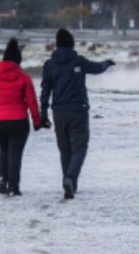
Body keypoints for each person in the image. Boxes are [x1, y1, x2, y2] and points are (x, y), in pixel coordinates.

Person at [39, 28, 114, 199]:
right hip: (78, 110)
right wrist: (107, 63)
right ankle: (70, 179)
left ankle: (69, 182)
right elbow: (97, 68)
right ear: (72, 43)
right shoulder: (78, 61)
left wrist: (43, 112)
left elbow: (45, 90)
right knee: (80, 147)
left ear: (57, 45)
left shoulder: (49, 65)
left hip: (58, 112)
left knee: (64, 149)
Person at [0, 38, 42, 196]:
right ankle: (13, 186)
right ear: (18, 61)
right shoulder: (24, 78)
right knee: (15, 153)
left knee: (4, 150)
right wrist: (37, 121)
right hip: (19, 121)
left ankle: (1, 178)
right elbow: (32, 102)